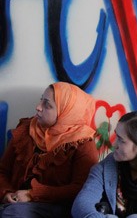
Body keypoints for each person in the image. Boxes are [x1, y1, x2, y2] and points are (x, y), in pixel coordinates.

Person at [0, 82, 99, 217]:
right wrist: (6, 193)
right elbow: (3, 170)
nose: (38, 107)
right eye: (41, 100)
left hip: (54, 207)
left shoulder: (83, 144)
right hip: (14, 202)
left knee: (12, 214)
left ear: (66, 112)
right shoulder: (27, 129)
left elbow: (81, 189)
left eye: (47, 105)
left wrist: (32, 194)